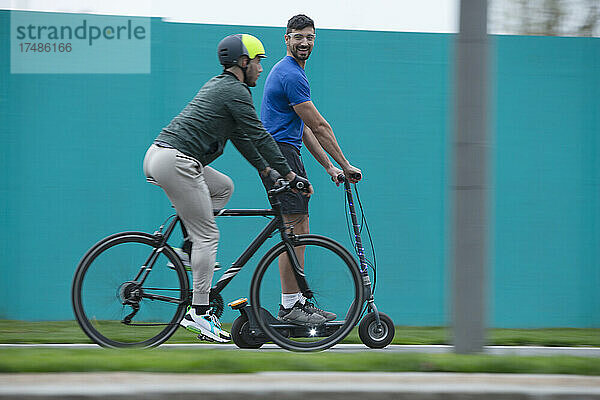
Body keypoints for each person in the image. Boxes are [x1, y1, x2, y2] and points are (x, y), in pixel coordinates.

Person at [143, 33, 312, 342]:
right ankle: (199, 312)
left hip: (163, 156)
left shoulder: (223, 88)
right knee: (209, 234)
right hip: (176, 161)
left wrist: (266, 169)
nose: (261, 68)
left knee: (223, 187)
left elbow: (243, 138)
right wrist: (288, 175)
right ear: (243, 62)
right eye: (258, 62)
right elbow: (261, 136)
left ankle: (186, 249)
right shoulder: (234, 92)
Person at [260, 15, 362, 326]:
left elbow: (303, 127)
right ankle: (290, 305)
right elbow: (319, 125)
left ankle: (296, 301)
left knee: (298, 229)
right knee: (292, 230)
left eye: (310, 37)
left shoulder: (292, 74)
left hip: (284, 152)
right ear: (286, 39)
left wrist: (329, 167)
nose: (304, 42)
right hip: (281, 155)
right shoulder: (291, 75)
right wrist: (346, 164)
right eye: (298, 37)